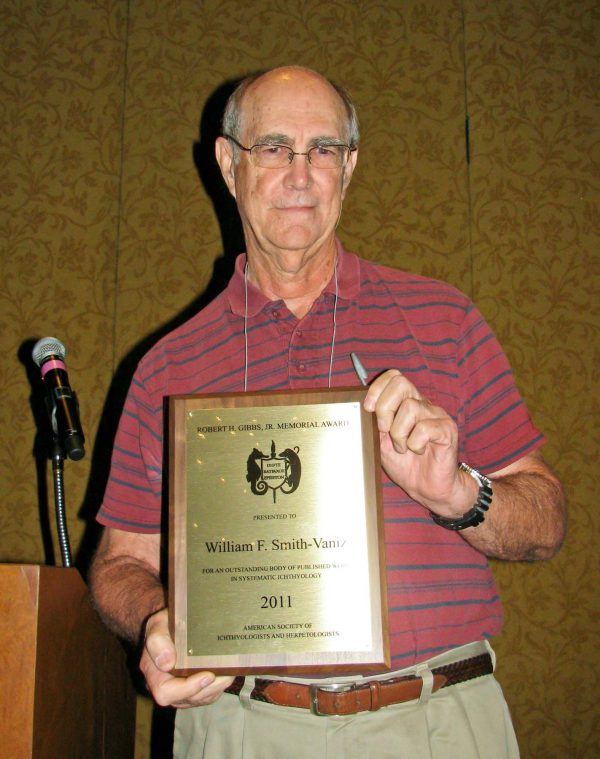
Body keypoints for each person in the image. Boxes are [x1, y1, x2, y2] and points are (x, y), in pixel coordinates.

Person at [90, 66, 566, 758]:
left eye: (324, 151)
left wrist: (460, 493)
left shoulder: (445, 320)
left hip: (436, 722)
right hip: (240, 728)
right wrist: (158, 618)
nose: (301, 174)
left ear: (349, 168)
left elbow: (547, 519)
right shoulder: (166, 367)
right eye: (274, 148)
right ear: (228, 164)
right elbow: (117, 564)